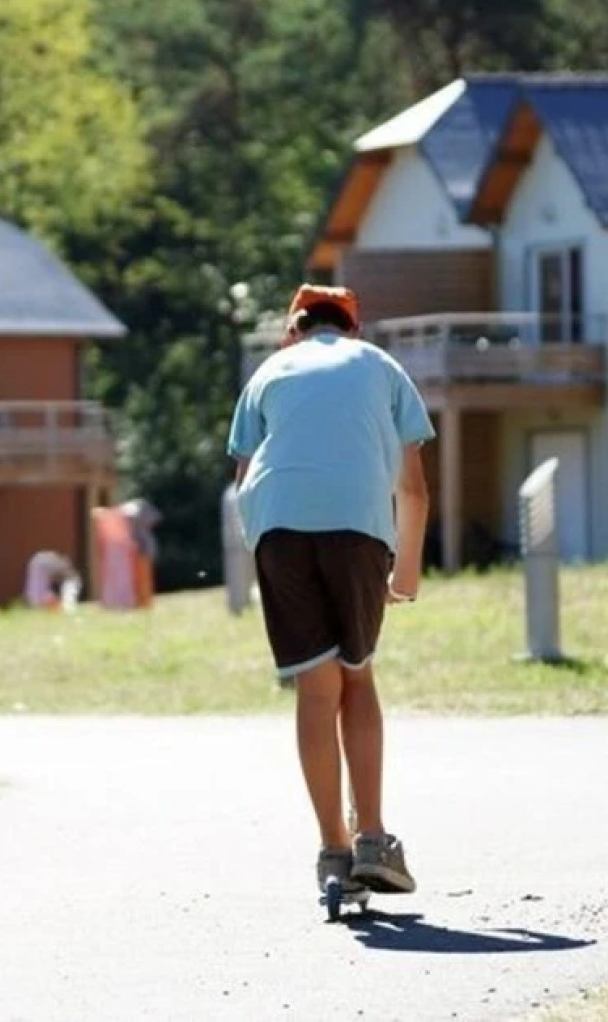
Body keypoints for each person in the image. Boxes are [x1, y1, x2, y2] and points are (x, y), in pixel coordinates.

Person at [227, 284, 433, 899]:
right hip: (357, 529)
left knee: (317, 689)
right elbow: (414, 490)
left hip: (279, 532)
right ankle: (372, 838)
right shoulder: (382, 367)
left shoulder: (268, 372)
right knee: (358, 675)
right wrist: (407, 576)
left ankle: (333, 855)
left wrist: (267, 559)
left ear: (293, 329)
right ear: (353, 329)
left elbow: (245, 482)